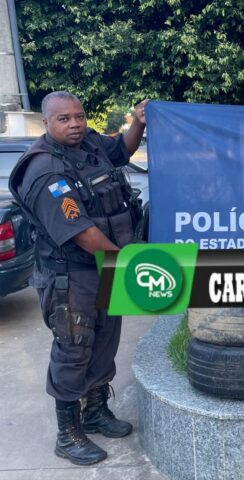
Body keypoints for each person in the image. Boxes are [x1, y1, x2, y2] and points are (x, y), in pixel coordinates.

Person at [9, 92, 148, 465]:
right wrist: (126, 265)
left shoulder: (89, 143)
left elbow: (122, 149)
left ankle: (95, 411)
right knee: (75, 347)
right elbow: (81, 232)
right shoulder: (45, 170)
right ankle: (67, 435)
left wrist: (138, 122)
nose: (75, 124)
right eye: (64, 119)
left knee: (105, 339)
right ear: (46, 122)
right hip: (71, 274)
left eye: (80, 116)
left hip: (105, 265)